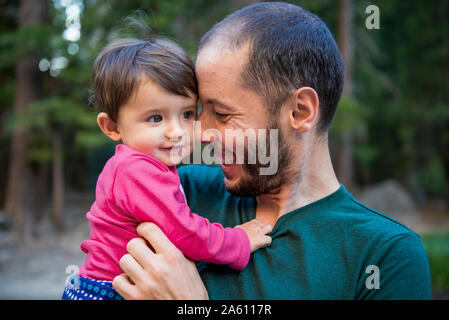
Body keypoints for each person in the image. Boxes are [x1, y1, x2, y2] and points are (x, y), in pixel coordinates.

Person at [111, 2, 432, 300]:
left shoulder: (383, 255)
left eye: (222, 114)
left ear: (300, 112)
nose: (201, 134)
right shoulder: (178, 191)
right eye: (197, 112)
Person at [61, 36, 273, 300]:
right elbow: (182, 231)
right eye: (156, 118)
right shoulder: (135, 171)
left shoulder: (148, 165)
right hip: (109, 291)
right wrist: (237, 242)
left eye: (186, 114)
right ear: (112, 127)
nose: (176, 131)